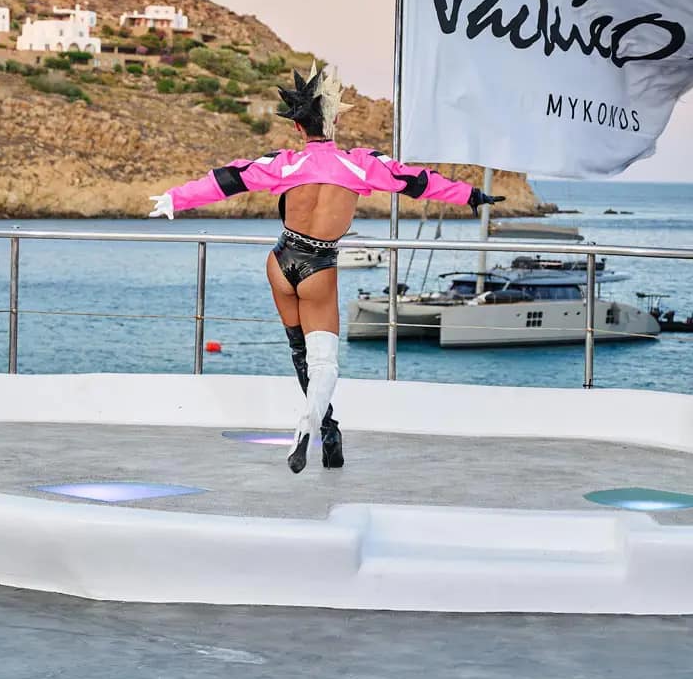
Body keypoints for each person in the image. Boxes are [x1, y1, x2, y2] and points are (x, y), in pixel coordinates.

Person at [148, 67, 503, 473]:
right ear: (334, 121)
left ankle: (330, 431)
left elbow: (228, 178)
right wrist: (471, 195)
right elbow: (418, 181)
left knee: (299, 351)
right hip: (318, 266)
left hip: (281, 261)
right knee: (324, 364)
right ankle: (308, 427)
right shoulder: (362, 164)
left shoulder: (283, 163)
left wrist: (175, 198)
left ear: (298, 126)